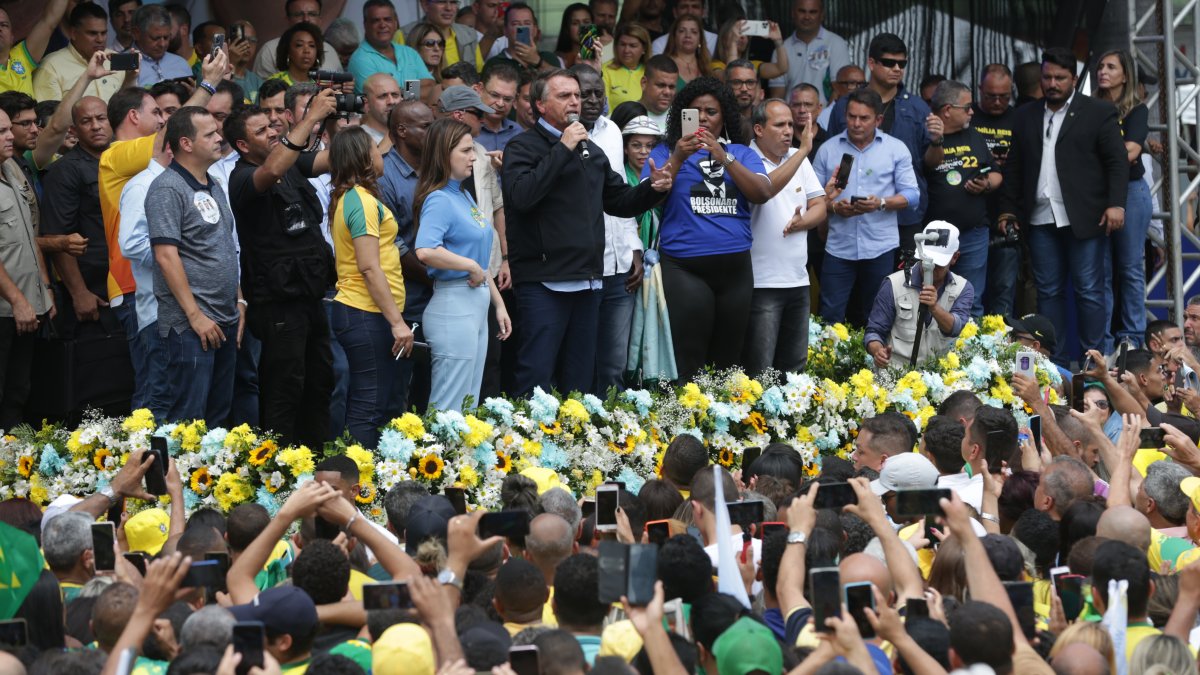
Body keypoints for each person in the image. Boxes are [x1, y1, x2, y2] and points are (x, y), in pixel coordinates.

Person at [501, 68, 670, 396]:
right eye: (564, 95)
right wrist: (563, 148)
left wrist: (653, 188)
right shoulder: (522, 146)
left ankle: (575, 430)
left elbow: (618, 200)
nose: (575, 102)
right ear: (540, 105)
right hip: (543, 281)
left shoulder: (590, 150)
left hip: (589, 280)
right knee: (535, 375)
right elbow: (522, 197)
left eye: (577, 95)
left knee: (579, 380)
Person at [998, 47, 1129, 365]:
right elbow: (1014, 167)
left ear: (1074, 78)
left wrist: (1116, 204)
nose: (1052, 83)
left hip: (1085, 215)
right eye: (1047, 77)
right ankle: (1053, 363)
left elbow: (1117, 161)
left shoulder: (1097, 111)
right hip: (1040, 216)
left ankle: (1092, 362)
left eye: (1060, 78)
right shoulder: (1025, 114)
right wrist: (1008, 210)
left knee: (1089, 290)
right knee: (1048, 291)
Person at [224, 91, 338, 448]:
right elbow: (271, 170)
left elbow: (336, 158)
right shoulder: (242, 177)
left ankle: (315, 462)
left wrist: (333, 122)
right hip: (277, 304)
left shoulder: (292, 165)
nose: (273, 132)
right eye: (261, 131)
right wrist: (310, 117)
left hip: (311, 296)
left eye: (273, 126)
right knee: (284, 389)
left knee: (320, 383)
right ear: (242, 145)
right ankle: (278, 468)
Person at [646, 76, 773, 380]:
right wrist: (679, 157)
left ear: (724, 117)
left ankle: (724, 409)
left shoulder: (742, 153)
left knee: (728, 358)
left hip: (735, 268)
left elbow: (762, 193)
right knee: (688, 354)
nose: (703, 118)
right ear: (682, 116)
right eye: (695, 112)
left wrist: (724, 157)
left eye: (711, 112)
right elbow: (651, 197)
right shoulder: (665, 152)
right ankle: (687, 408)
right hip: (685, 266)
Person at [146, 106, 240, 425]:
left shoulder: (212, 183)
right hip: (190, 325)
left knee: (218, 422)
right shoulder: (167, 188)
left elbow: (224, 247)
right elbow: (165, 256)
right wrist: (196, 316)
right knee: (189, 423)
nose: (219, 138)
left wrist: (238, 301)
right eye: (209, 134)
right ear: (186, 144)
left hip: (224, 318)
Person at [414, 118, 512, 411]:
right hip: (453, 305)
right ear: (444, 154)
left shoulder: (464, 194)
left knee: (467, 405)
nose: (474, 157)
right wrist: (470, 266)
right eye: (466, 150)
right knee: (448, 407)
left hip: (475, 304)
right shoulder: (439, 199)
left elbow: (479, 262)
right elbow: (425, 250)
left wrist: (499, 304)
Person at [329, 126, 415, 446]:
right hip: (365, 310)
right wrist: (397, 322)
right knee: (369, 407)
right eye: (376, 150)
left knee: (376, 403)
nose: (381, 154)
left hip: (366, 311)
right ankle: (360, 475)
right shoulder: (360, 201)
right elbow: (368, 266)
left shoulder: (352, 198)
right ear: (364, 157)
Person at [813, 87, 920, 326]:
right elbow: (810, 198)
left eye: (864, 118)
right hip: (838, 246)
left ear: (878, 120)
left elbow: (912, 196)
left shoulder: (895, 148)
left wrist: (880, 203)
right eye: (851, 116)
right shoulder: (828, 149)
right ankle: (829, 351)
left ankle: (873, 351)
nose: (856, 123)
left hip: (879, 247)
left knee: (877, 314)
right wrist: (834, 208)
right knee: (830, 314)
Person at [825, 33, 931, 253]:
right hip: (852, 215)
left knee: (906, 275)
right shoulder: (845, 105)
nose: (897, 69)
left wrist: (938, 142)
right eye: (889, 62)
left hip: (905, 216)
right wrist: (829, 210)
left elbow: (930, 164)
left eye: (902, 64)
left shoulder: (918, 108)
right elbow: (835, 156)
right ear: (871, 63)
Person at [744, 98, 824, 375]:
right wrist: (802, 152)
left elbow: (820, 205)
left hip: (798, 279)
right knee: (760, 369)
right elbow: (765, 191)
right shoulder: (746, 158)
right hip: (761, 282)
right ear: (758, 129)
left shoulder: (797, 157)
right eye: (779, 125)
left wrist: (803, 223)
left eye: (790, 124)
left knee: (794, 369)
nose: (788, 130)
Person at [923, 79, 1000, 318]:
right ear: (947, 110)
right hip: (936, 235)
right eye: (967, 107)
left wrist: (986, 184)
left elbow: (997, 173)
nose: (972, 112)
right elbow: (930, 163)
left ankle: (969, 343)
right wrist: (937, 140)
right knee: (934, 297)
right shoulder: (925, 133)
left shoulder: (974, 135)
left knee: (971, 298)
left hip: (973, 232)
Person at [0, 108, 54, 427]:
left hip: (26, 306)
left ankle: (10, 453)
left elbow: (30, 235)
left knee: (18, 392)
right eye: (2, 132)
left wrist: (44, 289)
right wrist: (18, 300)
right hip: (6, 309)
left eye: (9, 129)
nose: (10, 136)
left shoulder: (11, 168)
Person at [1094, 49, 1152, 349]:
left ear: (1126, 75)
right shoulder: (1088, 107)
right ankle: (1102, 342)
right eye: (1101, 66)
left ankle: (1132, 339)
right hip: (1096, 194)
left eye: (1111, 67)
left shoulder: (1136, 110)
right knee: (1100, 272)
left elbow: (1132, 151)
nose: (1103, 71)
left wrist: (1095, 160)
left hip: (1131, 192)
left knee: (1130, 269)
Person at [39, 95, 113, 328]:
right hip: (93, 288)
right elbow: (57, 236)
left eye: (101, 118)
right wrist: (79, 292)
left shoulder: (124, 160)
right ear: (73, 130)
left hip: (130, 282)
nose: (96, 126)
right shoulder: (63, 171)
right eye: (86, 121)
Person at [864, 221, 973, 368]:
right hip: (896, 372)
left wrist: (934, 308)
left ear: (955, 257)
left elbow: (955, 328)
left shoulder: (963, 288)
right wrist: (878, 351)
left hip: (941, 374)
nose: (931, 268)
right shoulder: (893, 283)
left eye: (938, 264)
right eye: (926, 261)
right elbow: (874, 332)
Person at [972, 63, 1020, 317]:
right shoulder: (968, 117)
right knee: (969, 289)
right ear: (980, 89)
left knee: (1004, 286)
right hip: (972, 212)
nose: (998, 102)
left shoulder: (1020, 118)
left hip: (1007, 213)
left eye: (1004, 96)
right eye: (991, 96)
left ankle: (1001, 337)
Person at [33, 3, 129, 102]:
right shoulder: (51, 67)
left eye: (103, 33)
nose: (100, 39)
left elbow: (128, 105)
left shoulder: (116, 59)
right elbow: (48, 112)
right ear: (73, 33)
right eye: (92, 33)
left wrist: (131, 78)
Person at [766, 0, 851, 105]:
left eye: (813, 12)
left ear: (822, 15)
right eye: (802, 11)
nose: (807, 17)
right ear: (793, 13)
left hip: (824, 114)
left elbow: (839, 89)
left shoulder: (836, 43)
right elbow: (777, 97)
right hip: (791, 114)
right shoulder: (781, 50)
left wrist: (825, 115)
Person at [348, 0, 435, 101]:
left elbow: (431, 87)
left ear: (395, 23)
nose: (382, 25)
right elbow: (382, 100)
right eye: (376, 20)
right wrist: (414, 90)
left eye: (387, 19)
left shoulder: (409, 52)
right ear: (365, 25)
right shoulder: (360, 60)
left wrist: (400, 92)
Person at [252, 0, 343, 79]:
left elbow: (340, 88)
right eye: (299, 14)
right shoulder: (269, 50)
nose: (306, 19)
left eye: (312, 14)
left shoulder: (330, 51)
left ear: (320, 19)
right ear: (288, 19)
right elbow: (260, 91)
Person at [400, 0, 483, 72]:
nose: (449, 8)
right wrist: (422, 85)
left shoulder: (469, 35)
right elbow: (404, 79)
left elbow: (479, 74)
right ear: (425, 4)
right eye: (441, 1)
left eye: (453, 2)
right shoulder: (404, 35)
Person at [482, 3, 559, 75]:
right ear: (505, 30)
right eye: (515, 24)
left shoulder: (549, 58)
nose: (522, 28)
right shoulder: (494, 64)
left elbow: (561, 80)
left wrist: (537, 61)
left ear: (535, 30)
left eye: (527, 23)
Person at [132, 4, 193, 87]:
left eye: (166, 37)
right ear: (136, 33)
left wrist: (193, 92)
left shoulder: (181, 63)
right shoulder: (123, 67)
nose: (162, 44)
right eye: (155, 38)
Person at [474, 62, 522, 153]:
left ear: (515, 100)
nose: (500, 104)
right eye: (494, 95)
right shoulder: (467, 130)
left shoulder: (517, 133)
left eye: (507, 99)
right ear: (480, 90)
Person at [603, 23, 651, 111]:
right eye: (622, 44)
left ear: (644, 48)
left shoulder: (651, 72)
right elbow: (604, 108)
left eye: (633, 46)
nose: (626, 50)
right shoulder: (605, 70)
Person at [268, 22, 323, 86]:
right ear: (288, 50)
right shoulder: (274, 82)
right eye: (299, 45)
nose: (307, 50)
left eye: (312, 45)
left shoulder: (322, 84)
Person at [663, 15, 710, 87]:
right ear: (674, 36)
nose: (688, 35)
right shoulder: (664, 64)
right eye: (682, 31)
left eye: (694, 32)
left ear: (700, 39)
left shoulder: (707, 67)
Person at [360, 72, 402, 147]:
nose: (391, 101)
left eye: (395, 95)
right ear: (366, 103)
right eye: (383, 96)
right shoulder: (357, 140)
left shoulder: (409, 134)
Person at [638, 54, 677, 131]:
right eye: (661, 85)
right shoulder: (626, 115)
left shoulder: (680, 119)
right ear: (644, 83)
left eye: (671, 87)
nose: (667, 92)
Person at [226, 20, 262, 101]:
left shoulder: (257, 82)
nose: (247, 45)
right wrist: (231, 62)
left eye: (252, 40)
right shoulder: (212, 75)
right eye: (242, 39)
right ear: (228, 43)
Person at [554, 4, 593, 70]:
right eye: (575, 23)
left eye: (586, 22)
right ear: (567, 28)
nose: (581, 27)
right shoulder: (558, 59)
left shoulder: (601, 54)